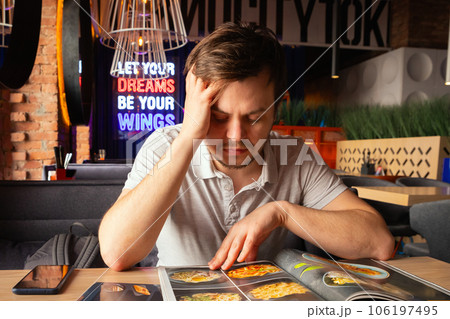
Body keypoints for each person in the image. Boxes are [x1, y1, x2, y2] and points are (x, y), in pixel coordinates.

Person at [98, 22, 394, 271]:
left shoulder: (295, 156)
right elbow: (116, 254)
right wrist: (189, 136)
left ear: (278, 109)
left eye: (255, 117)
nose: (236, 135)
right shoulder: (164, 145)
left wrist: (281, 213)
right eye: (219, 117)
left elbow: (380, 243)